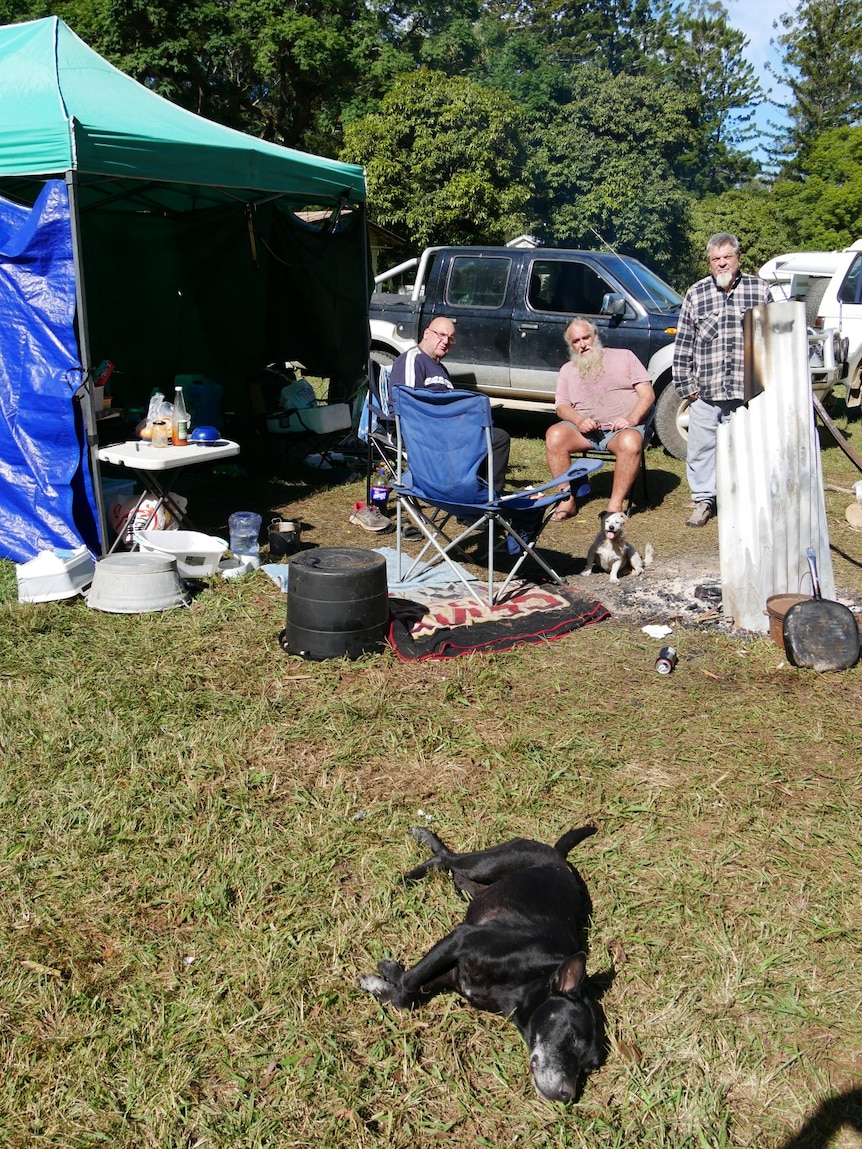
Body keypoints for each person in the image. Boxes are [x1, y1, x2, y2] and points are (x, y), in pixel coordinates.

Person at [673, 232, 770, 527]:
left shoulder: (760, 290)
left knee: (747, 449)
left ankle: (744, 502)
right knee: (700, 450)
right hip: (706, 392)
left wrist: (766, 389)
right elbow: (683, 345)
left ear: (738, 258)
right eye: (715, 259)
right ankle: (703, 501)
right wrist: (688, 389)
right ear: (709, 262)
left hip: (747, 394)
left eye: (727, 257)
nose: (722, 263)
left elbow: (772, 339)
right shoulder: (696, 293)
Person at [544, 318, 655, 520]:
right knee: (555, 435)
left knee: (631, 441)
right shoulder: (567, 370)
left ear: (595, 336)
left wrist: (630, 420)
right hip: (585, 432)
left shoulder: (625, 357)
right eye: (576, 341)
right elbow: (561, 406)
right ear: (571, 346)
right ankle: (566, 500)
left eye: (585, 337)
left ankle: (615, 506)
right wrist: (579, 421)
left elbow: (647, 394)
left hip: (621, 431)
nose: (583, 344)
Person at [389, 317, 510, 495]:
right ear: (427, 334)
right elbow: (407, 407)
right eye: (441, 335)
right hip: (422, 435)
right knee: (495, 439)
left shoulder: (441, 369)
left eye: (451, 338)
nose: (446, 341)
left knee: (491, 435)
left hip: (446, 431)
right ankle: (480, 502)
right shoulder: (413, 360)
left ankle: (481, 499)